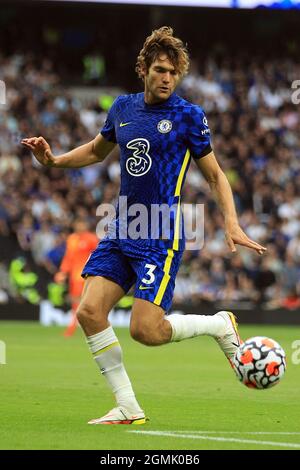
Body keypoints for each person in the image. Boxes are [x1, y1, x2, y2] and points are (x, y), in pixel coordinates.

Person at [22, 26, 266, 425]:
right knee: (88, 312)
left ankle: (219, 324)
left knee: (146, 331)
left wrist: (232, 223)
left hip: (159, 234)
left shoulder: (189, 116)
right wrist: (53, 161)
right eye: (160, 70)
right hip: (122, 228)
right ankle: (127, 406)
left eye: (173, 72)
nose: (167, 78)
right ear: (145, 70)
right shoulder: (122, 108)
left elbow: (216, 176)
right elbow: (97, 152)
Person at [54, 219, 98, 337]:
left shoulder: (91, 239)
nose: (80, 226)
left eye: (82, 223)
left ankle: (74, 327)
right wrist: (63, 272)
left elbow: (98, 255)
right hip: (75, 276)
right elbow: (68, 257)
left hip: (87, 275)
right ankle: (75, 326)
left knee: (87, 302)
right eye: (78, 223)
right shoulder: (72, 239)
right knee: (76, 302)